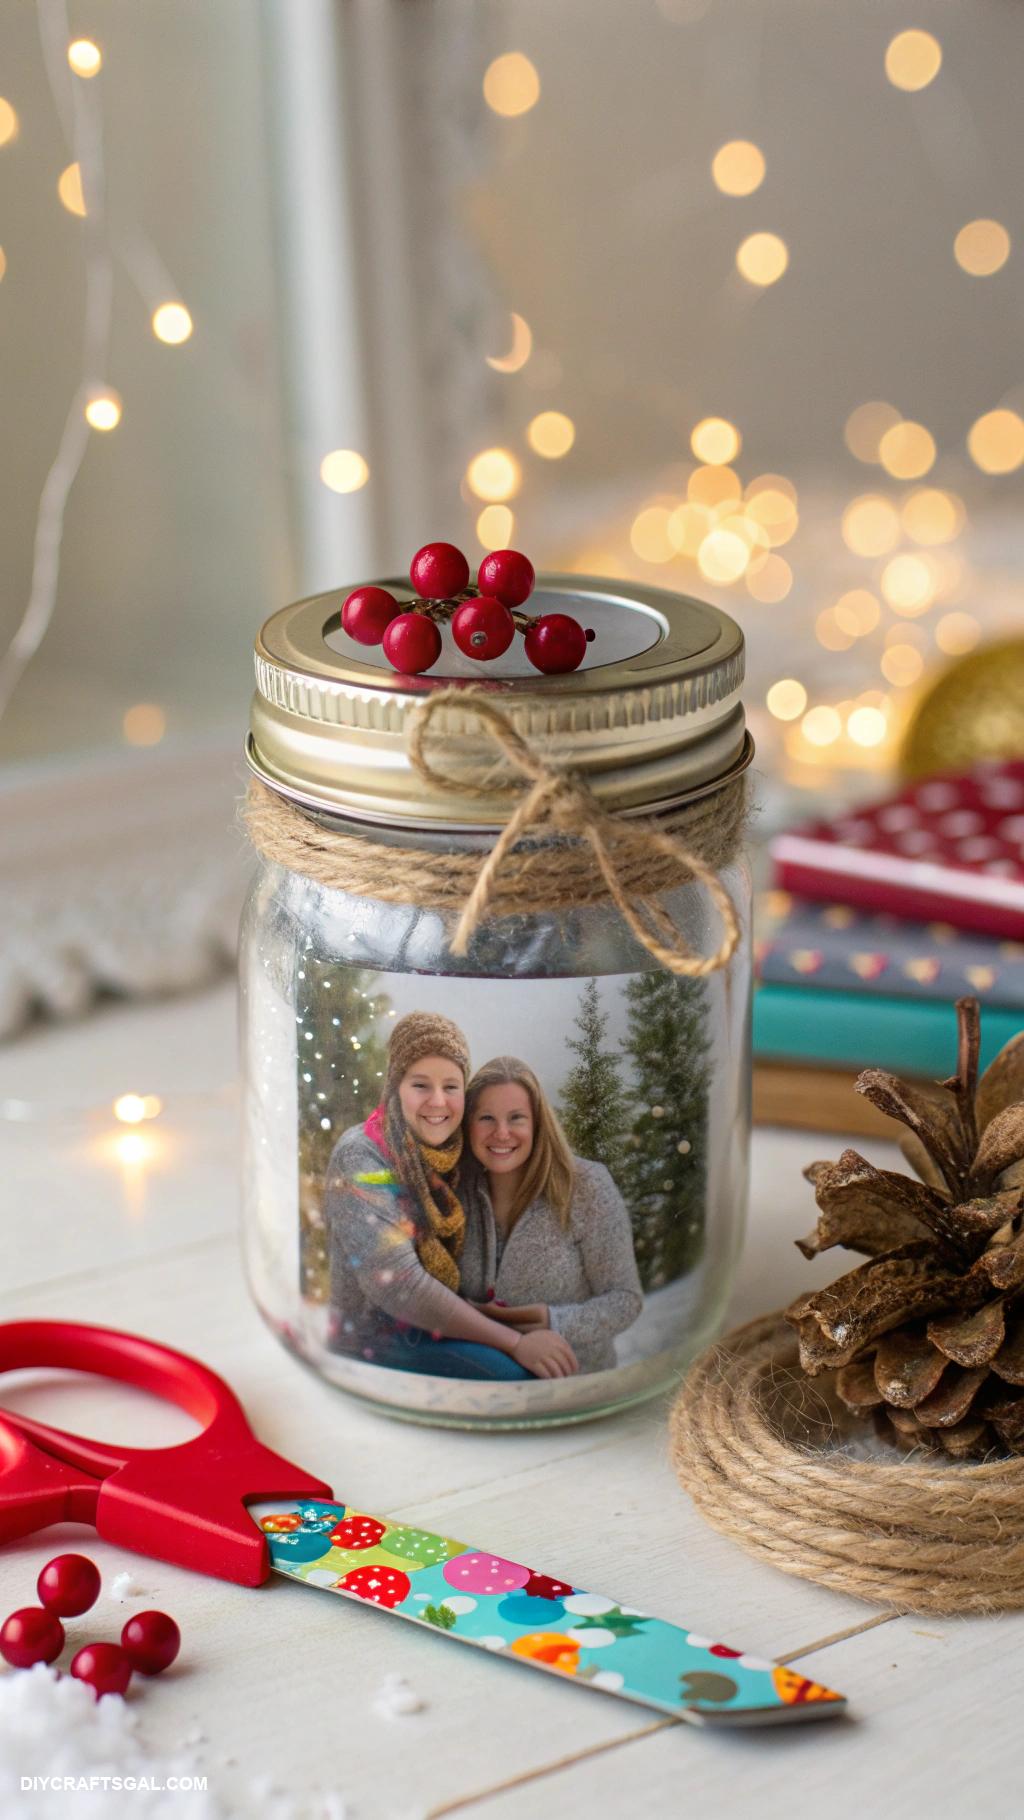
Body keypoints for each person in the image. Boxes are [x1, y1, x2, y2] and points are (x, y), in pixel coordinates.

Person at [323, 1011, 579, 1381]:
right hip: (374, 1337)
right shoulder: (363, 1156)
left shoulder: (456, 1156)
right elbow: (400, 1285)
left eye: (451, 1086)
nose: (438, 1102)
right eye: (421, 1085)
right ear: (396, 1087)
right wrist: (513, 1342)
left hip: (441, 1327)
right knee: (515, 1379)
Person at [461, 1056, 643, 1374]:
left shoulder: (586, 1186)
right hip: (478, 1383)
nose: (501, 1133)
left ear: (537, 1123)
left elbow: (625, 1299)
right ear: (468, 1124)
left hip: (574, 1385)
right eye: (486, 1118)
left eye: (516, 1118)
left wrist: (553, 1322)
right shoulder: (456, 1192)